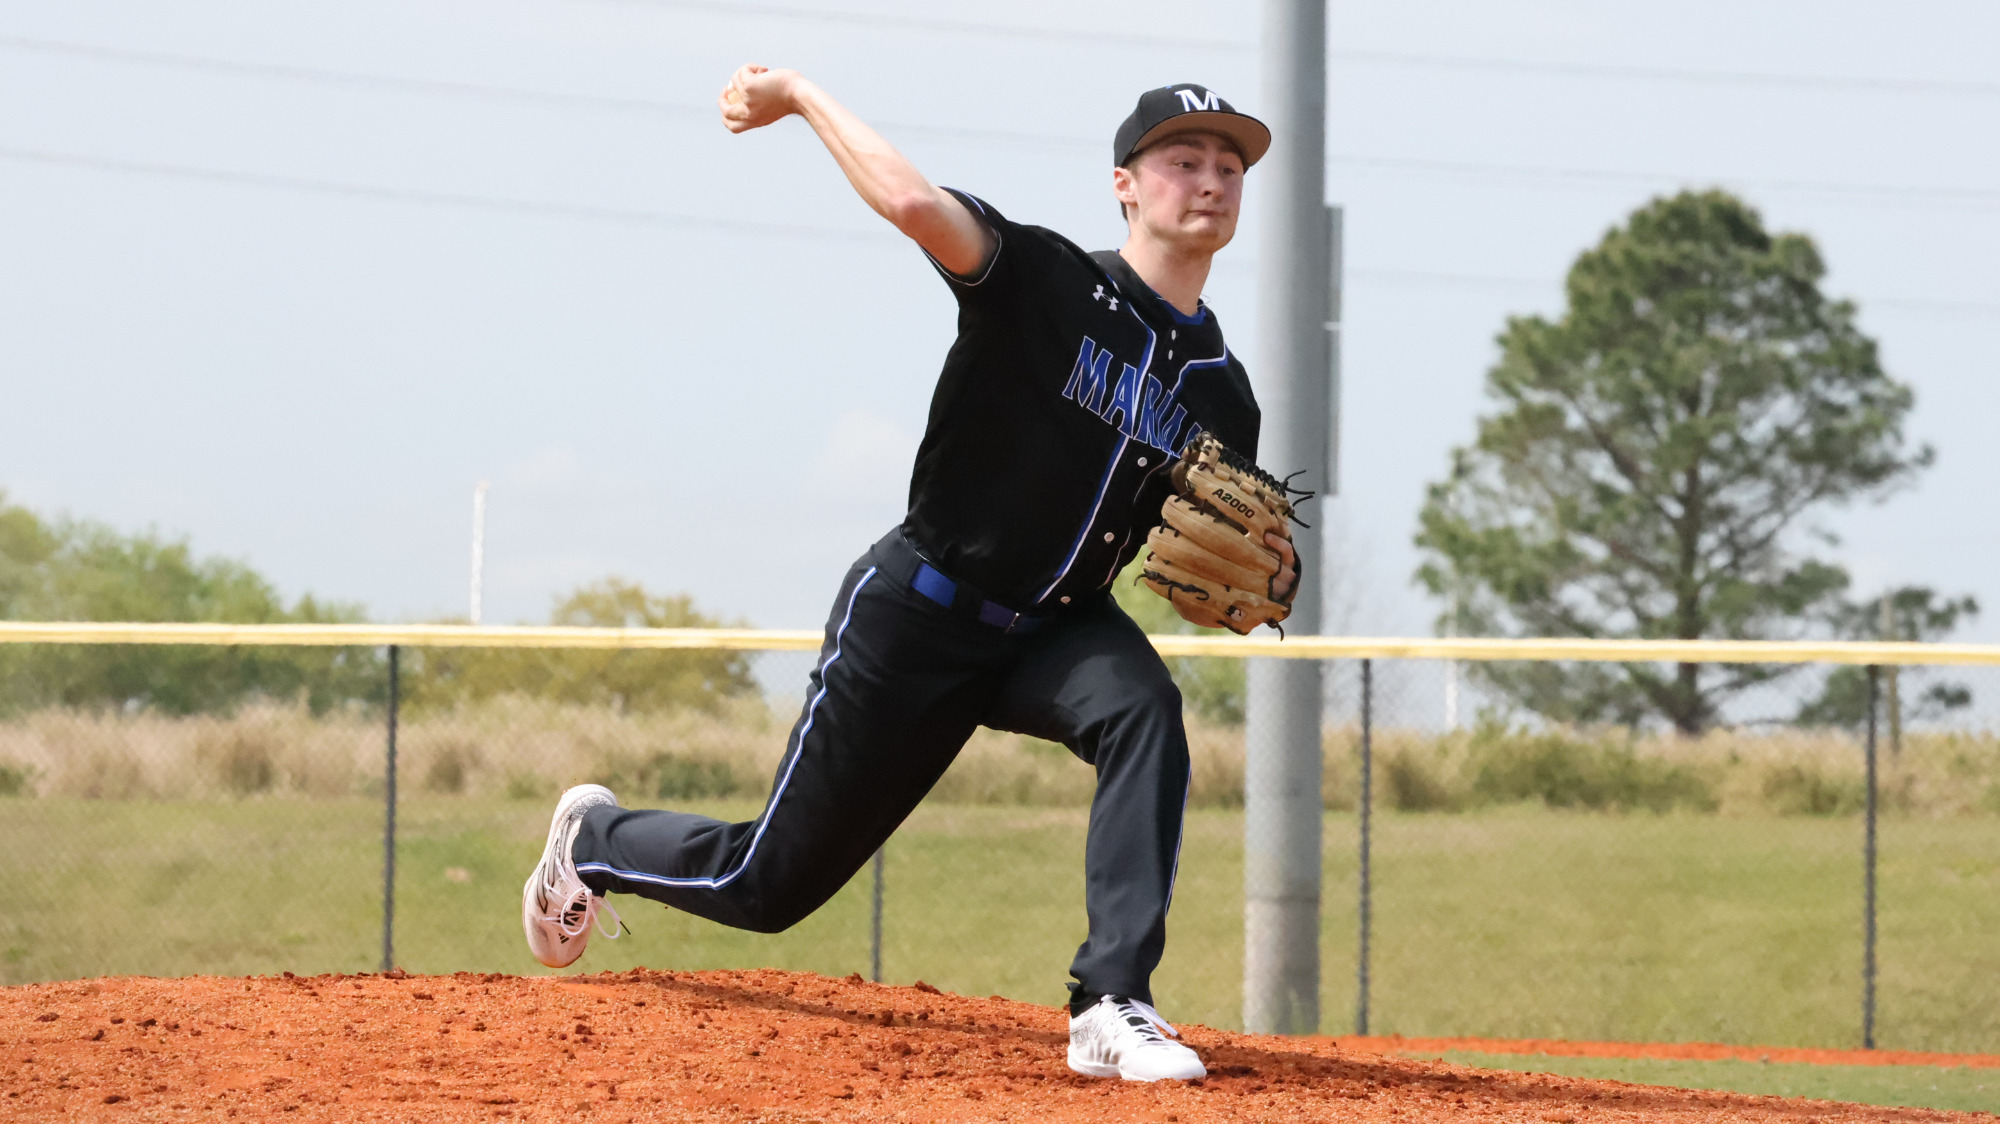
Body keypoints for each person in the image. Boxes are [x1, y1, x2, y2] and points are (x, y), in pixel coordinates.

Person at [521, 67, 1293, 1083]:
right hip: (918, 614)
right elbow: (912, 203)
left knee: (1143, 704)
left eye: (1227, 163)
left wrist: (1250, 582)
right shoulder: (1045, 281)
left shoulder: (1221, 395)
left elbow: (1190, 553)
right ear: (1124, 184)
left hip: (1055, 629)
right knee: (767, 883)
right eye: (1181, 159)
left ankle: (1109, 1000)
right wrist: (798, 95)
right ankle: (593, 837)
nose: (1209, 179)